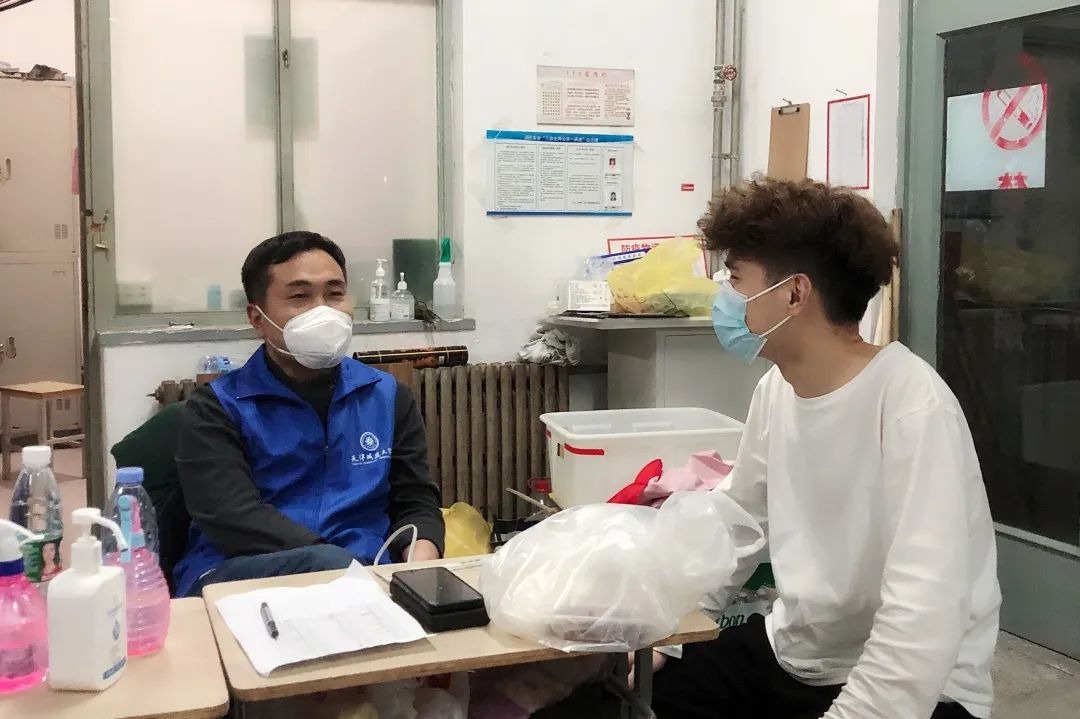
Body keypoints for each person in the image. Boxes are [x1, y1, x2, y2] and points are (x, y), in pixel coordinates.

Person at [650, 179, 1000, 719]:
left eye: (735, 280)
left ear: (794, 293)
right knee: (634, 697)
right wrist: (670, 633)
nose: (725, 299)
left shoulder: (911, 404)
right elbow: (739, 521)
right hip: (799, 654)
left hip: (924, 686)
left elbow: (923, 612)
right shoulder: (776, 389)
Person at [172, 231, 444, 597]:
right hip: (241, 574)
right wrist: (340, 567)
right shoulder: (218, 407)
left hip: (366, 578)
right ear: (257, 318)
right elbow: (233, 517)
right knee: (326, 567)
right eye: (300, 297)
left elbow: (416, 502)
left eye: (335, 294)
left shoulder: (386, 396)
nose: (323, 311)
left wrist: (420, 561)